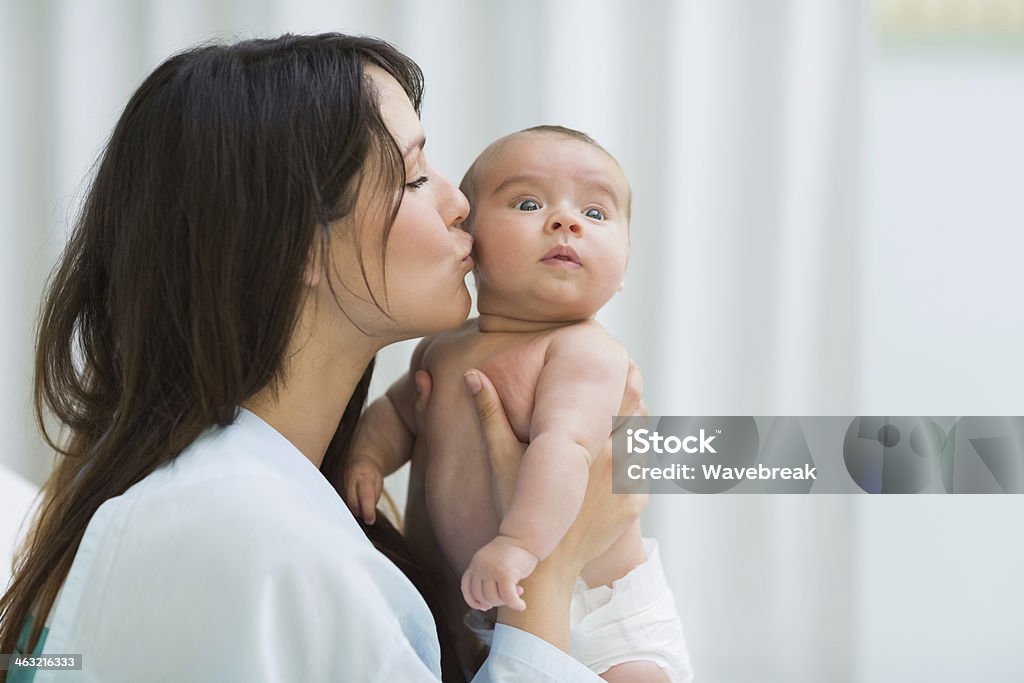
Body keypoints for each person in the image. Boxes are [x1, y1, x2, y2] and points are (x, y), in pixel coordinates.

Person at [0, 34, 648, 682]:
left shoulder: (277, 503)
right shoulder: (239, 529)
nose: (461, 206)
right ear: (295, 243)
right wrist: (552, 567)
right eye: (417, 176)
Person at [342, 127, 692, 682]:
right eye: (528, 203)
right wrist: (365, 458)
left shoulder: (583, 352)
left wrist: (519, 544)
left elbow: (567, 449)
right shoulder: (444, 345)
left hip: (596, 612)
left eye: (596, 214)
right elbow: (400, 412)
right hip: (484, 599)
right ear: (469, 242)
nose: (565, 221)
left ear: (624, 270)